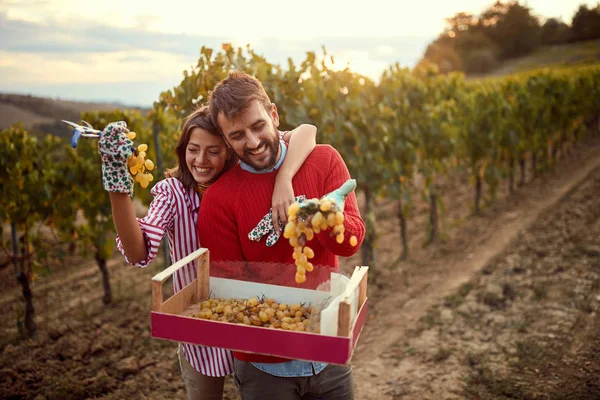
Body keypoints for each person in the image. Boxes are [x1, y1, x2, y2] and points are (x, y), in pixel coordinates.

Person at [96, 105, 317, 400]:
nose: (200, 160)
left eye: (213, 150)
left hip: (253, 320)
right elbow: (138, 253)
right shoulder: (173, 193)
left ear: (229, 150)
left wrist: (283, 178)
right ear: (183, 149)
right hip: (203, 334)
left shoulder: (245, 178)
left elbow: (307, 131)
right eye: (193, 149)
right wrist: (117, 185)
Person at [197, 71, 365, 400]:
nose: (254, 142)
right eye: (238, 135)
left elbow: (352, 244)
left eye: (258, 126)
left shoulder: (323, 160)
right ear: (227, 139)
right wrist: (290, 329)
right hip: (264, 369)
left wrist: (329, 219)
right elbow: (227, 285)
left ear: (274, 115)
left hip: (329, 355)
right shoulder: (220, 200)